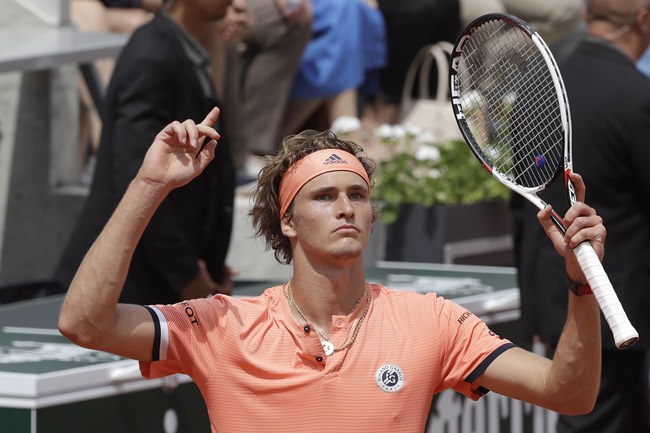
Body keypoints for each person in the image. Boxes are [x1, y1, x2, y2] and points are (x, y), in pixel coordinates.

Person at [58, 106, 605, 432]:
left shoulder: (432, 321)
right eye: (324, 196)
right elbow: (84, 322)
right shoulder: (223, 326)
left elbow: (569, 394)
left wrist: (581, 285)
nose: (346, 207)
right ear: (288, 221)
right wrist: (150, 185)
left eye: (357, 195)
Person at [512, 0, 650, 432]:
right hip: (617, 308)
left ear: (588, 14)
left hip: (559, 302)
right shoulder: (638, 95)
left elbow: (522, 206)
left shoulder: (535, 90)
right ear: (643, 19)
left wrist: (532, 305)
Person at [54, 0, 236, 304]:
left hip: (162, 284)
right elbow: (139, 179)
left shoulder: (189, 50)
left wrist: (208, 263)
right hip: (127, 291)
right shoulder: (151, 54)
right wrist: (188, 276)